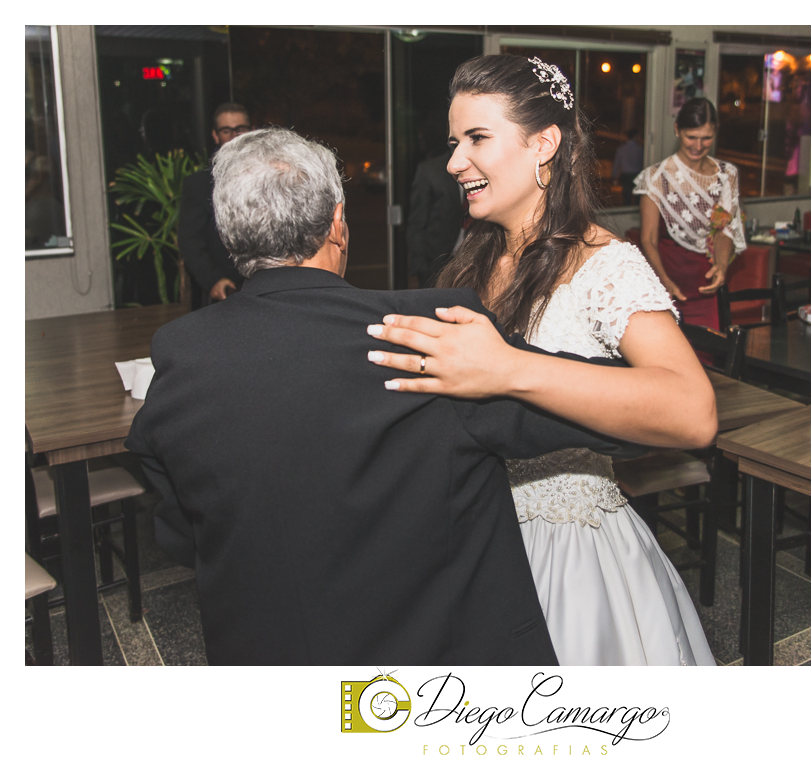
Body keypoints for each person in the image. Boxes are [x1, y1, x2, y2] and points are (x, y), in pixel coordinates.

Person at [125, 127, 646, 665]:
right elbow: (616, 422)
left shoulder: (182, 355)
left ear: (230, 237)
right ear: (337, 225)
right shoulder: (425, 334)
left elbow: (181, 531)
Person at [368, 55, 718, 665]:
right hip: (475, 539)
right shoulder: (471, 262)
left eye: (477, 138)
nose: (455, 162)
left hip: (570, 557)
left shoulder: (606, 263)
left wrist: (511, 368)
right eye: (454, 143)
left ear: (544, 145)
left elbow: (692, 413)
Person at [634, 98, 746, 329]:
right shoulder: (655, 177)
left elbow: (723, 228)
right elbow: (649, 240)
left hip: (706, 286)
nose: (698, 145)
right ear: (677, 129)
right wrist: (665, 282)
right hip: (666, 282)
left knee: (707, 356)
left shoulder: (727, 175)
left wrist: (722, 266)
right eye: (691, 137)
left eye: (706, 138)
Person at [178, 103, 251, 306]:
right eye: (226, 130)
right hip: (224, 294)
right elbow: (190, 241)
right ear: (215, 135)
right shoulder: (199, 184)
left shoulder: (268, 177)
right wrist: (213, 280)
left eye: (241, 129)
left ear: (251, 131)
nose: (234, 136)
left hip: (264, 286)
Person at [406, 148, 465, 287]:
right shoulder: (430, 170)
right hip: (436, 262)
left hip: (474, 260)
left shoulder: (484, 167)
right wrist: (420, 266)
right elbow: (417, 222)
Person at [611, 128, 644, 206]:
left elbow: (617, 163)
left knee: (626, 197)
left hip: (625, 175)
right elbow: (643, 162)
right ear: (635, 136)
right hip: (637, 174)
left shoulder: (621, 149)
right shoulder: (639, 149)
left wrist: (614, 175)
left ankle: (626, 211)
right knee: (637, 198)